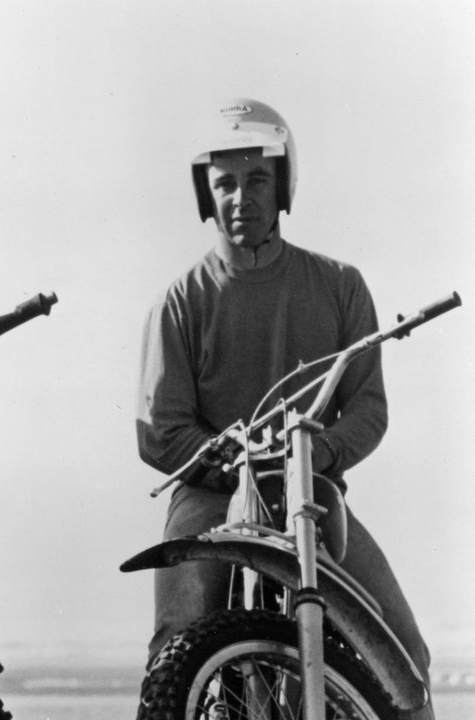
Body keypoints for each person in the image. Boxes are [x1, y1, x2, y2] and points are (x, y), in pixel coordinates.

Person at [136, 98, 433, 717]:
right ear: (205, 194)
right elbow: (161, 429)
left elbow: (368, 408)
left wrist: (321, 451)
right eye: (225, 184)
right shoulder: (180, 301)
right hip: (211, 495)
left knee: (405, 654)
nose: (241, 198)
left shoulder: (340, 286)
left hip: (309, 495)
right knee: (176, 643)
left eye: (256, 180)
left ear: (283, 185)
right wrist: (228, 459)